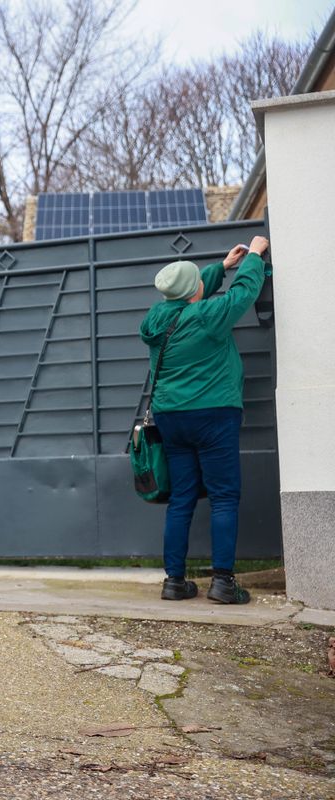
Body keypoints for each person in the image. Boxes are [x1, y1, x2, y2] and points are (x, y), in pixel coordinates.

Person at [139, 235, 270, 604]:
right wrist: (254, 258)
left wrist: (221, 267)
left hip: (171, 419)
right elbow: (241, 295)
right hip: (213, 414)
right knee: (224, 496)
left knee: (182, 497)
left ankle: (174, 582)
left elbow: (188, 295)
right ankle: (223, 583)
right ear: (192, 291)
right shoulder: (208, 317)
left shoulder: (156, 319)